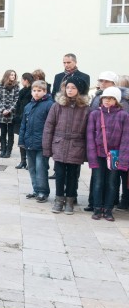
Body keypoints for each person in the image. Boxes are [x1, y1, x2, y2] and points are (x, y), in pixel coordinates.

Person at [43, 77, 90, 215]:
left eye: (73, 88)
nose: (69, 90)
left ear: (80, 90)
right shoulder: (57, 106)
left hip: (76, 146)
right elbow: (49, 127)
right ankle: (59, 200)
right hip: (59, 144)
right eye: (68, 87)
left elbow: (88, 131)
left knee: (73, 176)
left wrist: (87, 152)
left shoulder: (85, 109)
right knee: (59, 174)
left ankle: (70, 201)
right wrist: (47, 147)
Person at [87, 87, 129, 222]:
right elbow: (90, 137)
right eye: (105, 98)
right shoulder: (95, 114)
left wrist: (123, 159)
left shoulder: (123, 115)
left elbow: (126, 139)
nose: (107, 101)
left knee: (112, 183)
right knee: (98, 182)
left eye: (111, 98)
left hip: (115, 155)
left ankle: (108, 209)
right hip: (98, 154)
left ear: (117, 100)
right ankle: (97, 208)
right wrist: (92, 157)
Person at [18, 80, 53, 203]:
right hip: (29, 142)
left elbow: (51, 125)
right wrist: (21, 140)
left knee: (41, 168)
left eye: (39, 91)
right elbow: (23, 125)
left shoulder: (49, 105)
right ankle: (35, 189)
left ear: (45, 91)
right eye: (34, 90)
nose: (36, 93)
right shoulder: (28, 106)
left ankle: (43, 191)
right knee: (32, 168)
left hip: (42, 143)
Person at [0, 69, 19, 158]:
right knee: (3, 132)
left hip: (11, 113)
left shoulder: (16, 86)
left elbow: (16, 100)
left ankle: (8, 151)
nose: (13, 76)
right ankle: (3, 150)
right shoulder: (0, 86)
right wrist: (3, 110)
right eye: (11, 75)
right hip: (2, 113)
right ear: (7, 75)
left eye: (14, 75)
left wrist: (9, 110)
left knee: (10, 133)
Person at [13, 73, 34, 169]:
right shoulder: (22, 91)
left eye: (22, 79)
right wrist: (17, 115)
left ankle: (30, 162)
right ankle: (23, 161)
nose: (21, 81)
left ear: (26, 80)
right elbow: (18, 104)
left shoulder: (32, 91)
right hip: (20, 118)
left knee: (28, 141)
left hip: (28, 118)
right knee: (21, 140)